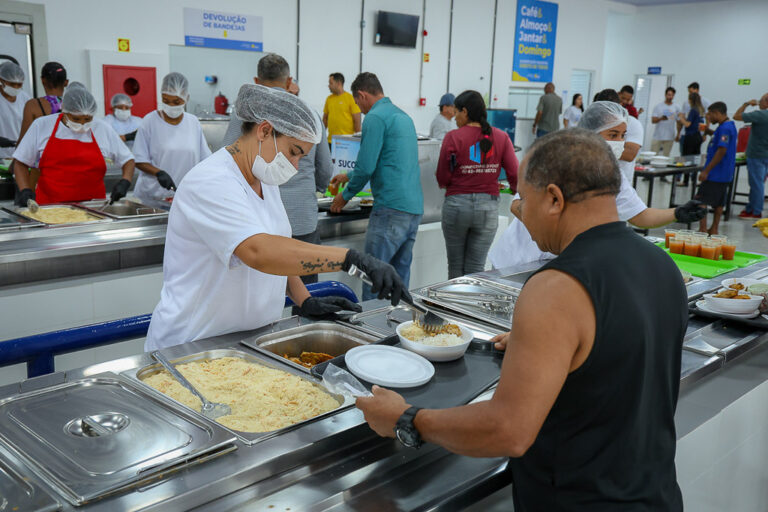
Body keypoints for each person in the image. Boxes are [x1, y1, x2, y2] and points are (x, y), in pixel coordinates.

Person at [357, 129, 686, 512]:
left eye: (523, 200)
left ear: (554, 199)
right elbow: (614, 356)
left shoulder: (556, 287)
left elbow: (507, 430)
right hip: (656, 497)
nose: (521, 213)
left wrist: (406, 418)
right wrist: (556, 347)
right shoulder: (662, 265)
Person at [144, 84, 406, 351]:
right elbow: (258, 251)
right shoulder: (211, 180)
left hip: (244, 342)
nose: (295, 166)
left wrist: (304, 299)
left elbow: (278, 247)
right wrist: (349, 259)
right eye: (293, 152)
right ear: (265, 131)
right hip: (193, 344)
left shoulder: (264, 179)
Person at [487, 101, 705, 269]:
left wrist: (677, 213)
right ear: (590, 132)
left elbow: (640, 216)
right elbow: (516, 205)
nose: (619, 142)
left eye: (623, 135)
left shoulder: (612, 174)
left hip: (560, 263)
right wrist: (553, 232)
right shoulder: (555, 160)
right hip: (517, 260)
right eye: (613, 134)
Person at [222, 53, 332, 284]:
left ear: (256, 80)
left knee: (266, 287)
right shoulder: (309, 115)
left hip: (257, 225)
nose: (293, 165)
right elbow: (324, 168)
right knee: (305, 287)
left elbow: (230, 157)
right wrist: (316, 190)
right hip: (301, 217)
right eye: (293, 152)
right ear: (289, 80)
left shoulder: (245, 115)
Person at [329, 72, 423, 299]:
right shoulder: (403, 116)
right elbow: (387, 159)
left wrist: (344, 197)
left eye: (357, 102)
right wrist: (347, 176)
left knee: (374, 277)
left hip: (390, 210)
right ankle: (398, 318)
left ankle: (371, 322)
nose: (359, 109)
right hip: (413, 209)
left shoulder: (375, 118)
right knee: (398, 280)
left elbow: (366, 166)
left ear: (362, 95)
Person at [436, 90, 518, 279]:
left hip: (457, 206)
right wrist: (513, 190)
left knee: (455, 266)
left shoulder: (453, 137)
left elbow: (442, 178)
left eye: (456, 112)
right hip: (488, 209)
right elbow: (515, 174)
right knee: (476, 268)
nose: (455, 117)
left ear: (465, 111)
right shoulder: (501, 137)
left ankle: (453, 299)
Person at [12, 86, 134, 205]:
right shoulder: (42, 125)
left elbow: (128, 160)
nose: (82, 124)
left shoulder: (102, 128)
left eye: (87, 119)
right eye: (76, 119)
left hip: (93, 208)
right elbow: (20, 162)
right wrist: (25, 189)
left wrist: (125, 181)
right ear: (64, 111)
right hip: (50, 207)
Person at [132, 72, 211, 204]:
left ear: (186, 98)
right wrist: (158, 173)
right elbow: (139, 159)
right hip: (153, 196)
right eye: (166, 101)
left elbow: (205, 159)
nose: (171, 106)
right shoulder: (150, 121)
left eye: (176, 102)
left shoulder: (193, 122)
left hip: (184, 195)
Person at [696, 102, 737, 235]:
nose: (708, 117)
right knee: (719, 201)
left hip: (715, 173)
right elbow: (722, 139)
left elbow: (721, 150)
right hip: (725, 173)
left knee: (701, 200)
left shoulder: (725, 128)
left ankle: (702, 229)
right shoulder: (728, 126)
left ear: (717, 113)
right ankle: (714, 229)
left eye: (710, 114)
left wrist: (706, 170)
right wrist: (709, 132)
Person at [595, 89, 643, 183]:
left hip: (620, 179)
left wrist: (596, 148)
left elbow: (630, 155)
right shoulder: (593, 122)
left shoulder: (633, 123)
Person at [733, 93, 768, 219]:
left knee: (757, 184)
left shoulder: (761, 115)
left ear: (766, 102)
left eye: (761, 100)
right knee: (758, 183)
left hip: (756, 155)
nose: (759, 102)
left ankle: (756, 211)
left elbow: (736, 116)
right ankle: (750, 208)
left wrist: (746, 104)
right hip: (766, 155)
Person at [0, 62, 31, 158]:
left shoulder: (25, 98)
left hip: (21, 155)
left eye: (19, 84)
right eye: (12, 84)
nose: (16, 87)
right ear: (1, 80)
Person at [323, 72, 361, 147]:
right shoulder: (329, 99)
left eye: (331, 83)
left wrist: (358, 140)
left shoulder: (350, 98)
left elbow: (357, 120)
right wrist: (321, 136)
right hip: (331, 141)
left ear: (338, 83)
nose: (328, 86)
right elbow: (325, 119)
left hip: (347, 141)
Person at [676, 92, 705, 186]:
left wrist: (681, 118)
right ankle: (694, 179)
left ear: (691, 100)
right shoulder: (700, 110)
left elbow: (688, 124)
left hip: (690, 137)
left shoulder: (693, 110)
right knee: (695, 159)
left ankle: (685, 181)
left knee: (687, 159)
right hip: (697, 136)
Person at [677, 82, 711, 151]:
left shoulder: (704, 103)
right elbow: (684, 117)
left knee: (690, 154)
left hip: (695, 134)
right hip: (686, 133)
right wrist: (679, 133)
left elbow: (707, 119)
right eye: (689, 92)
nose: (690, 93)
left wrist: (704, 134)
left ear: (697, 90)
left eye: (691, 92)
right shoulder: (686, 103)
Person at [651, 87, 680, 156]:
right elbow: (653, 120)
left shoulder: (676, 107)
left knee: (666, 156)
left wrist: (678, 134)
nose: (670, 97)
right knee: (653, 155)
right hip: (658, 135)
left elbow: (679, 122)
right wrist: (661, 118)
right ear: (665, 95)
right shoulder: (658, 106)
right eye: (669, 95)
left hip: (670, 136)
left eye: (672, 95)